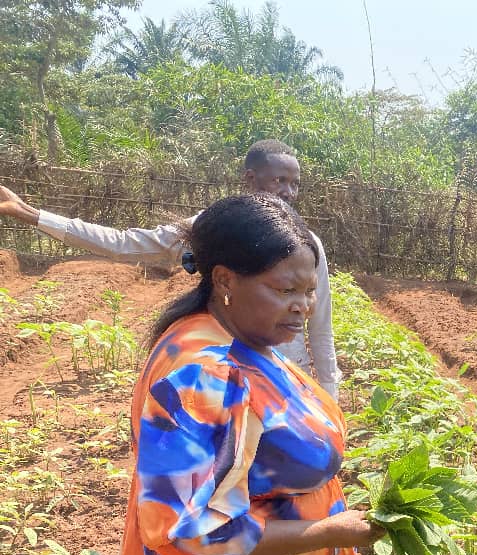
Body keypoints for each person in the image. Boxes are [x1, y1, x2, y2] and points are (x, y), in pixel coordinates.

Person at [102, 194, 386, 555]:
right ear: (225, 279)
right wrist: (334, 531)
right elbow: (191, 532)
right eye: (283, 290)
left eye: (308, 290)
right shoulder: (206, 372)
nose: (302, 306)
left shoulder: (239, 342)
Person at [0, 139, 342, 398]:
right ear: (250, 178)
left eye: (294, 183)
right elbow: (124, 243)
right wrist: (33, 215)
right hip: (222, 380)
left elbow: (321, 326)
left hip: (286, 380)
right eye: (279, 180)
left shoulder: (306, 243)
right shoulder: (214, 227)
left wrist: (328, 394)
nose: (288, 191)